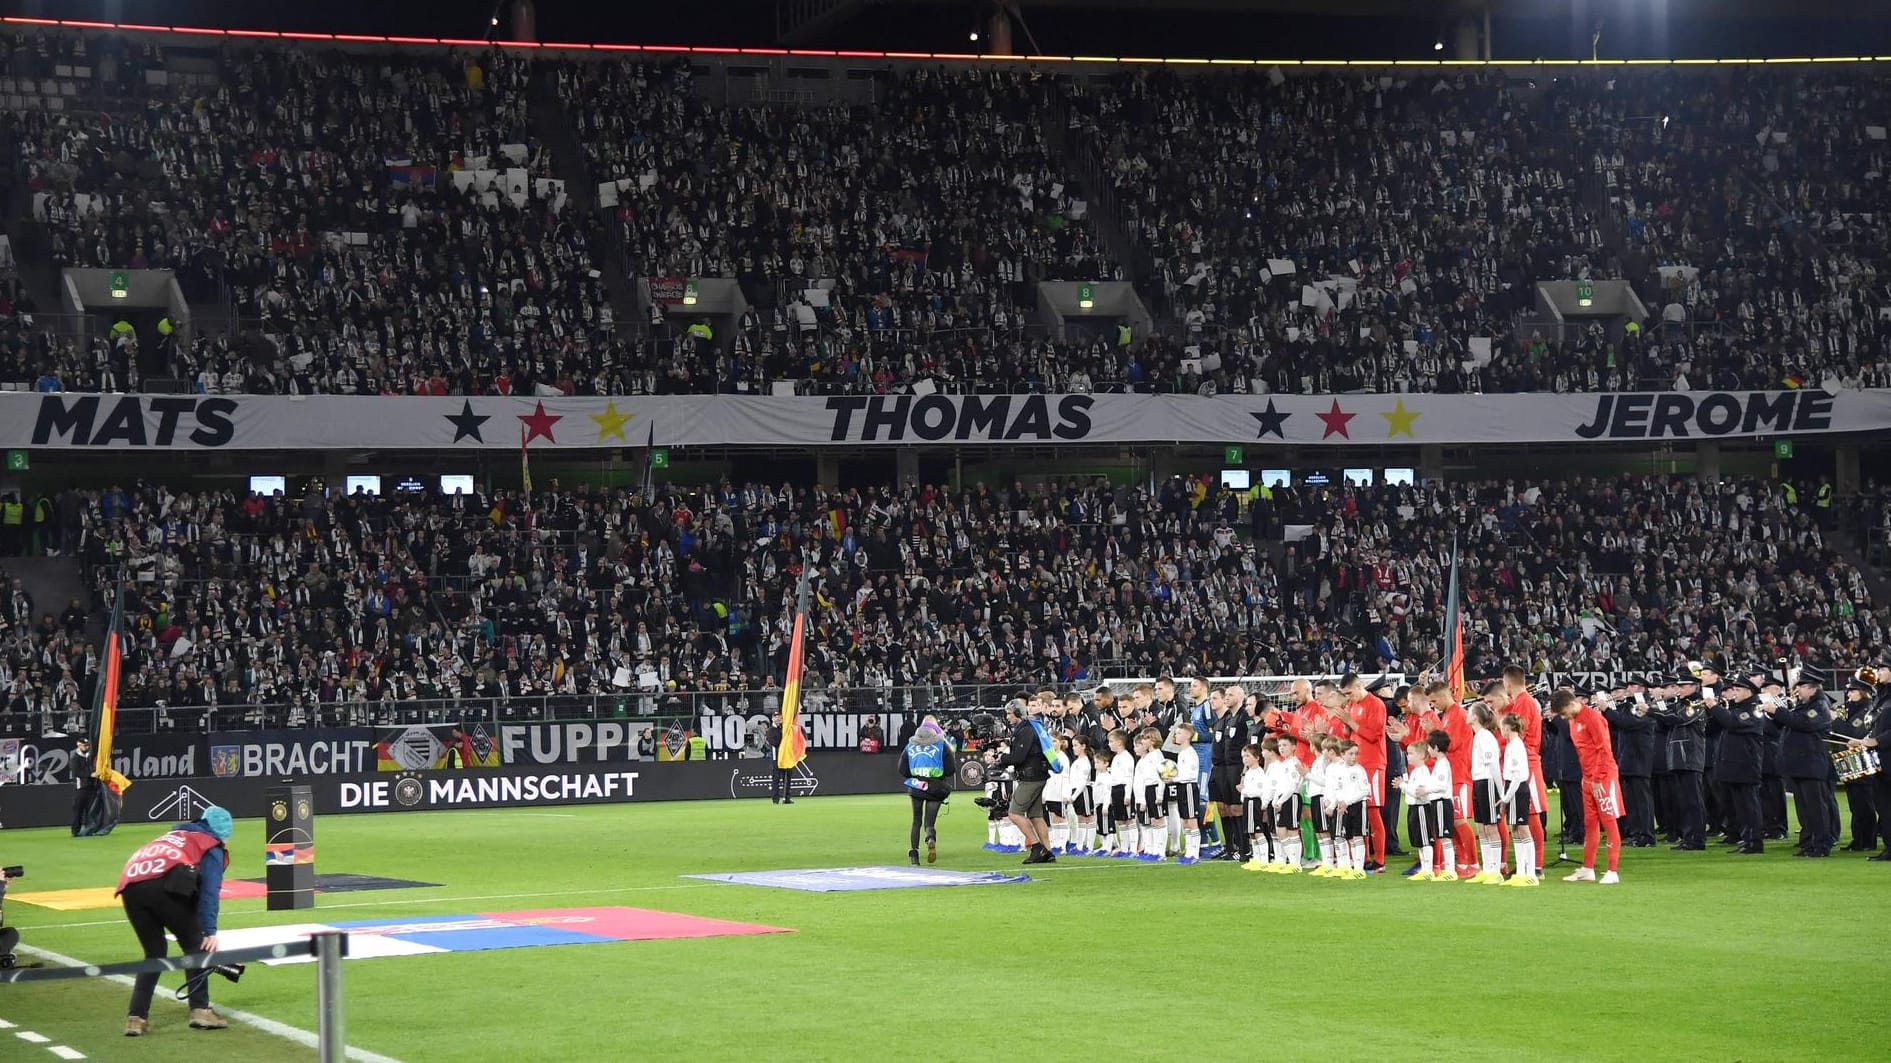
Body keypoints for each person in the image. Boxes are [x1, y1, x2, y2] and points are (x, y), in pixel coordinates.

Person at [118, 806, 234, 1036]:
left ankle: (136, 1017)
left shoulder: (174, 836)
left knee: (154, 953)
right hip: (162, 887)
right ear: (221, 833)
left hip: (130, 887)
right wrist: (209, 931)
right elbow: (210, 891)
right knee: (195, 946)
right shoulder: (209, 844)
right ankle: (201, 1010)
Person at [1554, 688, 1623, 884]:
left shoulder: (1593, 718)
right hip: (1588, 779)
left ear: (1570, 704)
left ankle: (1612, 870)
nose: (1563, 717)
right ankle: (1588, 868)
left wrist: (1598, 778)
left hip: (1602, 778)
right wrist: (1588, 778)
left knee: (1608, 822)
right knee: (1590, 823)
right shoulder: (1574, 721)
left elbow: (1604, 749)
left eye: (1563, 713)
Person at [1770, 667, 1836, 858]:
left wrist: (1778, 711)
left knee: (1816, 808)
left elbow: (1805, 723)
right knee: (1805, 809)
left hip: (1812, 763)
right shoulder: (1805, 704)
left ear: (1812, 688)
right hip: (1801, 764)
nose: (1798, 690)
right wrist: (1775, 714)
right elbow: (1791, 722)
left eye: (1801, 687)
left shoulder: (1820, 705)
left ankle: (1822, 845)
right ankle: (1809, 843)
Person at [998, 697, 1056, 864]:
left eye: (1009, 714)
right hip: (1039, 775)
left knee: (1014, 813)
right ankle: (1048, 851)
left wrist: (1002, 758)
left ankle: (1037, 847)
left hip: (1031, 777)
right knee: (1035, 815)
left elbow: (1019, 757)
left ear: (1017, 713)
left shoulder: (1025, 730)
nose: (1007, 717)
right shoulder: (1031, 727)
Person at [898, 716, 957, 866]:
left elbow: (902, 769)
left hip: (917, 786)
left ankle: (914, 855)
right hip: (936, 788)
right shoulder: (941, 744)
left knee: (916, 820)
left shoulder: (910, 745)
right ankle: (930, 837)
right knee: (929, 822)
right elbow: (951, 769)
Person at [1498, 713, 1540, 887]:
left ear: (1508, 727)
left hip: (1517, 789)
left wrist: (1506, 798)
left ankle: (1530, 873)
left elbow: (1517, 776)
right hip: (1512, 787)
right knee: (1515, 830)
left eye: (1502, 726)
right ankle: (1521, 872)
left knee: (1522, 829)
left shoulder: (1516, 746)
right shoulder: (1512, 745)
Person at [1467, 704, 1505, 884]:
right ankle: (1487, 868)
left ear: (1475, 717)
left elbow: (1493, 765)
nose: (1467, 715)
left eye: (1469, 712)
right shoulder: (1478, 737)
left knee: (1491, 826)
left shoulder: (1485, 737)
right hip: (1478, 782)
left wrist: (1500, 789)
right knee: (1481, 827)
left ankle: (1495, 870)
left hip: (1487, 782)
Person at [71, 737, 101, 837]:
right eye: (84, 745)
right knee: (78, 811)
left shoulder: (89, 756)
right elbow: (76, 772)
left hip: (91, 787)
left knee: (90, 811)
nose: (86, 747)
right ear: (78, 745)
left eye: (87, 745)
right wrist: (90, 774)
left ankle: (89, 830)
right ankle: (75, 831)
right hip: (81, 788)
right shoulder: (75, 757)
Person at [764, 712, 794, 804]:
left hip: (786, 756)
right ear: (773, 718)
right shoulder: (771, 730)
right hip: (776, 757)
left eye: (779, 717)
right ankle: (775, 799)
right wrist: (783, 738)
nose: (778, 719)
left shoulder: (784, 728)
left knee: (787, 777)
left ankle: (786, 797)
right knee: (776, 778)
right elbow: (774, 742)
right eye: (776, 717)